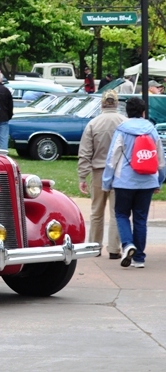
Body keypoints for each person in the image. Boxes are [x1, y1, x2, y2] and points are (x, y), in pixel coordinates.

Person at [102, 97, 166, 268]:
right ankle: (139, 258)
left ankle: (127, 244)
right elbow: (160, 158)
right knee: (140, 218)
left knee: (122, 214)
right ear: (143, 112)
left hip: (124, 181)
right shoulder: (151, 130)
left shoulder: (122, 130)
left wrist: (107, 182)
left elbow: (112, 158)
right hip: (147, 181)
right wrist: (159, 180)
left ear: (127, 112)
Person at [78, 90, 127, 259]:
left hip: (98, 171)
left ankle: (94, 246)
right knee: (116, 212)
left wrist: (82, 176)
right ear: (117, 103)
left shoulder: (94, 123)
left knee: (96, 211)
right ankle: (114, 248)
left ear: (102, 104)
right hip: (120, 173)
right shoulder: (124, 122)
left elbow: (85, 152)